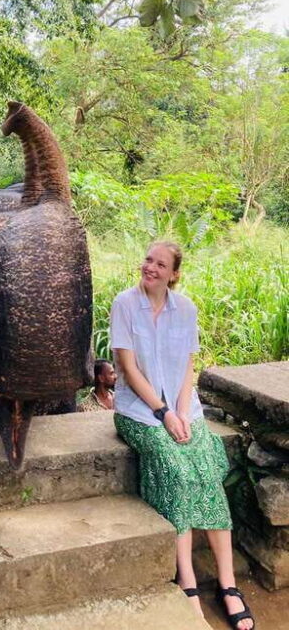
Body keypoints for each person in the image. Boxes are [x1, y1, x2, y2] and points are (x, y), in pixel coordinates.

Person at [110, 241, 254, 630]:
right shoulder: (125, 304)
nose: (150, 268)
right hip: (139, 413)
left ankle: (228, 584)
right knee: (176, 470)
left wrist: (183, 412)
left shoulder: (185, 310)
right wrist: (163, 413)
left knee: (207, 468)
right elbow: (128, 367)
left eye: (160, 264)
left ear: (174, 273)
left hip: (182, 410)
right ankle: (187, 581)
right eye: (147, 260)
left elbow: (188, 369)